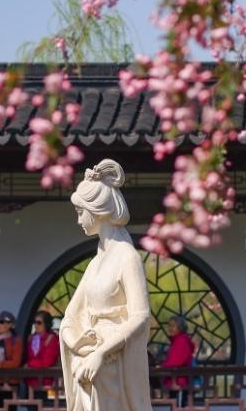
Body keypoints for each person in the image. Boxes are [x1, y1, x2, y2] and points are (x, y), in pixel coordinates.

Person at [60, 160, 152, 411]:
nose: (79, 220)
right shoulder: (95, 263)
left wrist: (101, 353)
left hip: (114, 358)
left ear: (97, 210)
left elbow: (141, 316)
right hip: (90, 352)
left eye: (81, 212)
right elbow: (70, 316)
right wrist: (76, 342)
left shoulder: (127, 257)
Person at [0, 311, 22, 409]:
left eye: (2, 322)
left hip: (10, 382)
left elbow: (16, 362)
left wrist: (0, 364)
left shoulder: (16, 340)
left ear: (10, 325)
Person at [159, 316, 196, 407]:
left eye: (173, 326)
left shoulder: (182, 341)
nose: (170, 328)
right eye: (169, 326)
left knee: (178, 407)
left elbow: (175, 361)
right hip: (175, 382)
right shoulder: (177, 341)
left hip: (179, 383)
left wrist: (162, 366)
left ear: (180, 327)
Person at [24, 311, 59, 400]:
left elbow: (46, 362)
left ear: (46, 324)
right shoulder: (31, 338)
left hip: (44, 383)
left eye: (39, 323)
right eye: (34, 322)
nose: (36, 325)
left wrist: (29, 364)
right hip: (30, 382)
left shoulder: (52, 339)